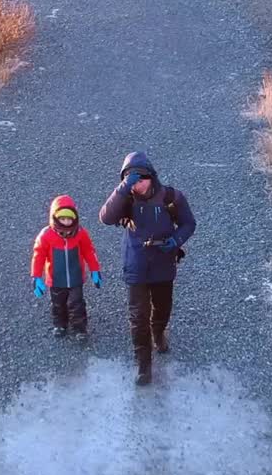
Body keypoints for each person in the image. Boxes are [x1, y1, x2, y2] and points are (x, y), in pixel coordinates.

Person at [99, 152, 196, 386]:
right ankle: (143, 364)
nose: (138, 184)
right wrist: (122, 189)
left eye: (142, 178)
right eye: (131, 179)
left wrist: (175, 240)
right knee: (137, 316)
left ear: (152, 177)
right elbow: (105, 217)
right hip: (136, 264)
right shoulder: (125, 199)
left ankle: (159, 332)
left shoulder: (171, 197)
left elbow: (189, 223)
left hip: (163, 263)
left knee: (162, 307)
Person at [31, 195, 102, 341]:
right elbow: (38, 256)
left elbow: (89, 251)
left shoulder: (81, 233)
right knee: (58, 303)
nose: (66, 222)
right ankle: (60, 324)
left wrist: (95, 269)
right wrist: (36, 276)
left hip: (76, 277)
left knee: (77, 303)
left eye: (69, 219)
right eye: (62, 219)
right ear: (55, 218)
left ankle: (80, 328)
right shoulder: (46, 235)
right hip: (56, 278)